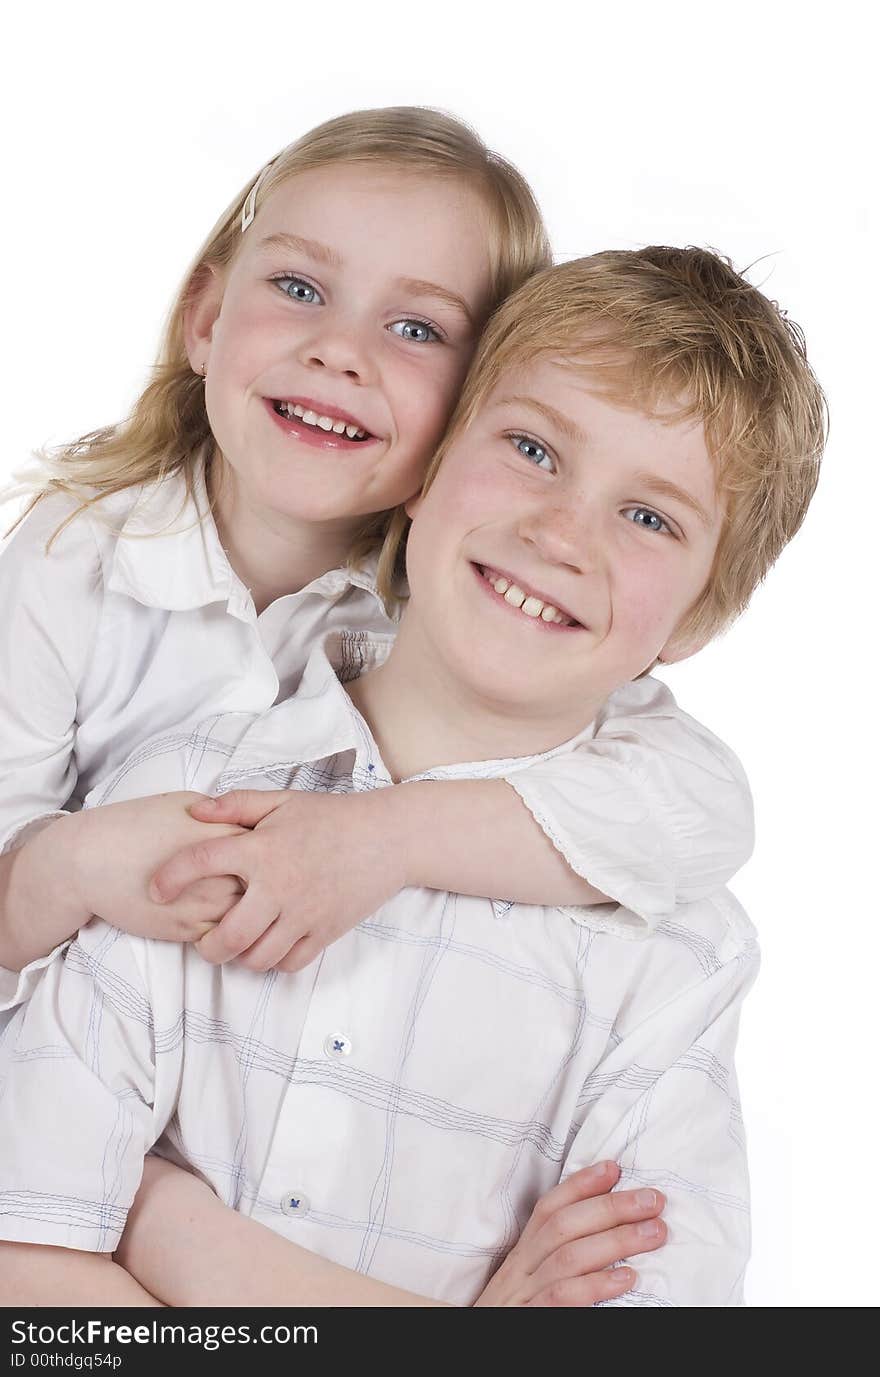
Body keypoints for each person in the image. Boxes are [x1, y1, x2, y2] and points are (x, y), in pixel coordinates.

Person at [0, 246, 826, 1307]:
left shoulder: (674, 957)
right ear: (426, 468)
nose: (561, 532)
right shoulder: (188, 802)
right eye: (531, 448)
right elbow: (28, 1273)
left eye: (649, 516)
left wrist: (163, 1235)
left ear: (701, 617)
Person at [0, 107, 753, 1016]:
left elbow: (700, 812)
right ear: (205, 319)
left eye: (418, 330)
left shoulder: (465, 602)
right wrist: (76, 861)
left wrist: (384, 839)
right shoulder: (68, 563)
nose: (341, 353)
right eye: (299, 286)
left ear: (481, 402)